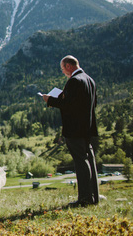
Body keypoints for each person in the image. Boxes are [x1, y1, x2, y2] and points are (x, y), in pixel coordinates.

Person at [42, 55, 99, 207]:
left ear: (68, 66)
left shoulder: (74, 81)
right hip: (88, 128)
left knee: (81, 162)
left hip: (75, 129)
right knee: (90, 161)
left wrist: (50, 100)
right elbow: (90, 103)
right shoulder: (89, 79)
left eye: (62, 69)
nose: (63, 72)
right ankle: (94, 197)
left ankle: (85, 199)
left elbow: (68, 105)